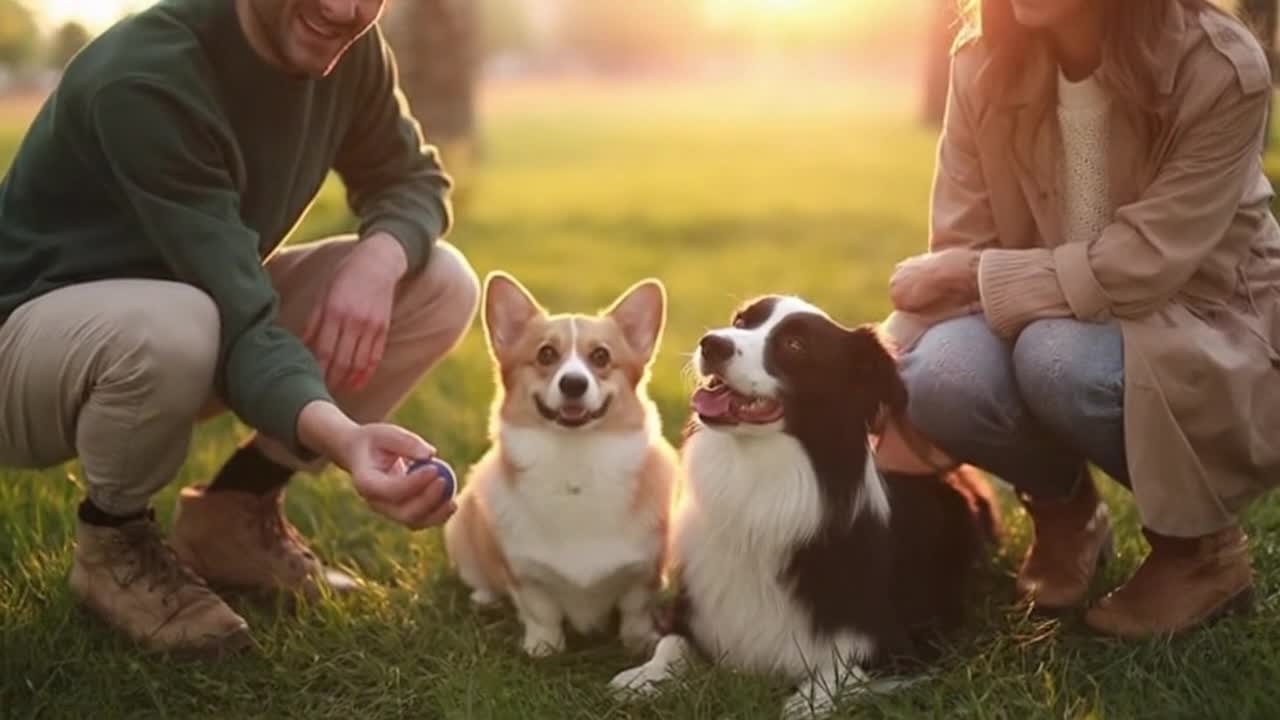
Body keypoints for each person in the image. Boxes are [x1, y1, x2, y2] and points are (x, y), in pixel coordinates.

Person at [0, 0, 480, 655]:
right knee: (181, 320)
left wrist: (379, 258)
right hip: (26, 350)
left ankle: (233, 513)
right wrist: (346, 440)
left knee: (437, 280)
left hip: (188, 320)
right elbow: (237, 312)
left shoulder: (350, 48)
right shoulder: (147, 78)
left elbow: (412, 178)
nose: (343, 9)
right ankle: (112, 542)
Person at [874, 0, 1280, 638]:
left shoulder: (1221, 68)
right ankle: (1065, 511)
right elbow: (963, 240)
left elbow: (1147, 263)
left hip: (1203, 319)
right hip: (1045, 313)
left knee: (1055, 358)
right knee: (938, 374)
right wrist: (883, 367)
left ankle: (1201, 554)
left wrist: (976, 274)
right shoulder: (980, 59)